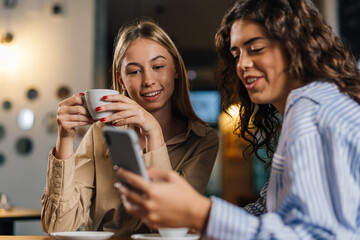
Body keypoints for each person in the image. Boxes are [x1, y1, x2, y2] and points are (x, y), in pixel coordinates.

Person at [114, 0, 360, 239]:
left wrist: (203, 214)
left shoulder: (313, 111)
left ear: (294, 44)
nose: (242, 64)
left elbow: (321, 235)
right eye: (236, 53)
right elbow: (271, 211)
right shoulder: (309, 106)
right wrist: (195, 221)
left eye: (256, 49)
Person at [41, 18, 219, 235]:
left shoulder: (203, 140)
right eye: (134, 71)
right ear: (121, 80)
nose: (148, 80)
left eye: (158, 66)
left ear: (176, 70)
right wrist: (65, 138)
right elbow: (56, 226)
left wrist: (153, 131)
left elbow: (171, 230)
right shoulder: (100, 133)